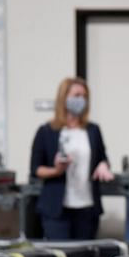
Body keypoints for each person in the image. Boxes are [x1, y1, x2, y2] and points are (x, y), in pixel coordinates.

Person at [30, 77, 114, 240]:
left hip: (87, 207)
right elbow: (35, 169)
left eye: (84, 96)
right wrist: (56, 170)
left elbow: (102, 158)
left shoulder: (93, 130)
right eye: (76, 95)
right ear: (64, 98)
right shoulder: (47, 131)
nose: (81, 100)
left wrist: (104, 165)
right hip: (57, 209)